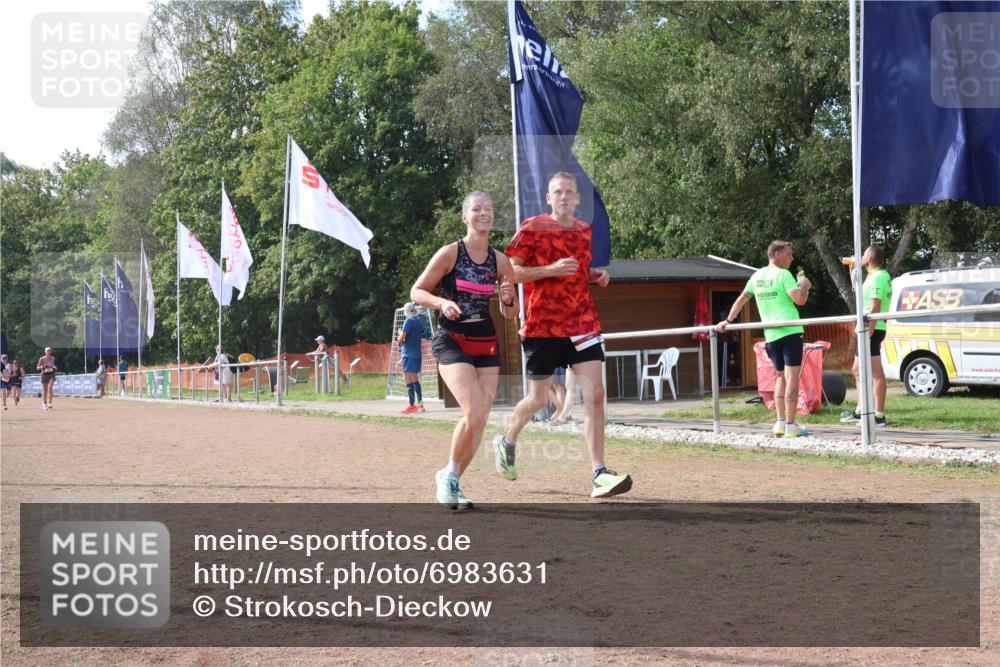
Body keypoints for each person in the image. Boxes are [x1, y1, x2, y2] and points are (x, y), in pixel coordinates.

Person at [494, 171, 632, 499]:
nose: (564, 197)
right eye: (558, 192)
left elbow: (576, 273)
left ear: (578, 199)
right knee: (539, 399)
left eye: (570, 192)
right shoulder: (532, 228)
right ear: (548, 198)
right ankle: (508, 439)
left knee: (595, 394)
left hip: (582, 322)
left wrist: (595, 275)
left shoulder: (585, 231)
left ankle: (599, 472)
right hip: (543, 327)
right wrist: (550, 270)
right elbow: (509, 273)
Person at [411, 191, 518, 509]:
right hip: (452, 340)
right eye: (477, 209)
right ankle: (449, 478)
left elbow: (510, 314)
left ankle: (451, 475)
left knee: (481, 418)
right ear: (465, 217)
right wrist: (442, 302)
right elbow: (417, 291)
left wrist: (509, 298)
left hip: (485, 340)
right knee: (473, 411)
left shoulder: (500, 261)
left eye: (488, 209)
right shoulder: (450, 254)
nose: (484, 213)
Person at [717, 240, 812, 438]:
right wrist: (805, 286)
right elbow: (800, 300)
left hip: (771, 335)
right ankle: (791, 425)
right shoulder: (784, 274)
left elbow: (742, 298)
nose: (792, 258)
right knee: (791, 379)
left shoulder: (757, 276)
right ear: (777, 255)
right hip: (790, 331)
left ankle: (779, 422)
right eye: (789, 253)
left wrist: (727, 320)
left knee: (780, 376)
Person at [841, 244, 892, 428]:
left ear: (869, 259)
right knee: (857, 369)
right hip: (868, 328)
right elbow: (860, 296)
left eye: (863, 255)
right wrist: (853, 270)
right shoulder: (874, 276)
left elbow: (875, 307)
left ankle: (878, 416)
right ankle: (861, 411)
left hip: (872, 328)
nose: (861, 256)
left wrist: (867, 334)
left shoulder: (878, 277)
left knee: (875, 372)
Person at [398, 303, 426, 413]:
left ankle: (411, 404)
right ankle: (420, 404)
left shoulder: (408, 321)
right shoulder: (419, 322)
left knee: (407, 377)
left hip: (408, 353)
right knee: (415, 378)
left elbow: (401, 337)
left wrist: (399, 338)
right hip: (417, 353)